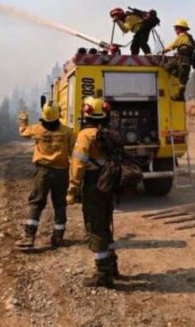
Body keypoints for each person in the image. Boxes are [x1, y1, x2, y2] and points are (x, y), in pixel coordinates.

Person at [66, 96, 119, 288]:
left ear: (86, 112)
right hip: (108, 183)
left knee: (95, 227)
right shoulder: (110, 133)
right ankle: (112, 265)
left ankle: (103, 274)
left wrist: (72, 189)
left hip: (93, 185)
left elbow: (78, 164)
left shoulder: (85, 135)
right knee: (105, 224)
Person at [16, 102, 76, 250]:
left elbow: (23, 132)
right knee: (60, 204)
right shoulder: (68, 132)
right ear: (58, 114)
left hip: (43, 172)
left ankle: (29, 237)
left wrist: (23, 120)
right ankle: (58, 237)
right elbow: (73, 154)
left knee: (36, 203)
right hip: (61, 172)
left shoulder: (38, 129)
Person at [162, 18, 194, 101]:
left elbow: (173, 45)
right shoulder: (188, 37)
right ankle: (181, 93)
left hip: (183, 60)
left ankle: (180, 95)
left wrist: (164, 50)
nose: (175, 30)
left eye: (176, 28)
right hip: (182, 59)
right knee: (169, 68)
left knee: (181, 78)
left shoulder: (182, 36)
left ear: (180, 28)